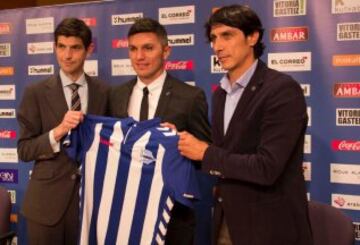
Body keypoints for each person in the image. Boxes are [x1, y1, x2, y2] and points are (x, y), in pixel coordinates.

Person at [177, 5, 313, 245]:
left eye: (227, 35)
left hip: (270, 228)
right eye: (213, 38)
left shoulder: (282, 90)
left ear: (253, 37)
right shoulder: (220, 94)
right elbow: (228, 153)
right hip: (226, 221)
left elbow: (267, 167)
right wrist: (176, 140)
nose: (218, 46)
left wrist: (205, 152)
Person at [109, 17, 211, 245]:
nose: (139, 56)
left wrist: (180, 142)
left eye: (148, 48)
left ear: (166, 51)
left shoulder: (191, 97)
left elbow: (206, 157)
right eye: (133, 49)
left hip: (172, 216)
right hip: (125, 213)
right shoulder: (116, 95)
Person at [17, 18, 108, 245]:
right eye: (61, 46)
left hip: (91, 205)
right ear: (55, 47)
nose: (67, 55)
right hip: (46, 206)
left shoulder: (105, 92)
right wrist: (57, 132)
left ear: (89, 49)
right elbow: (24, 150)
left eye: (75, 47)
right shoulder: (35, 93)